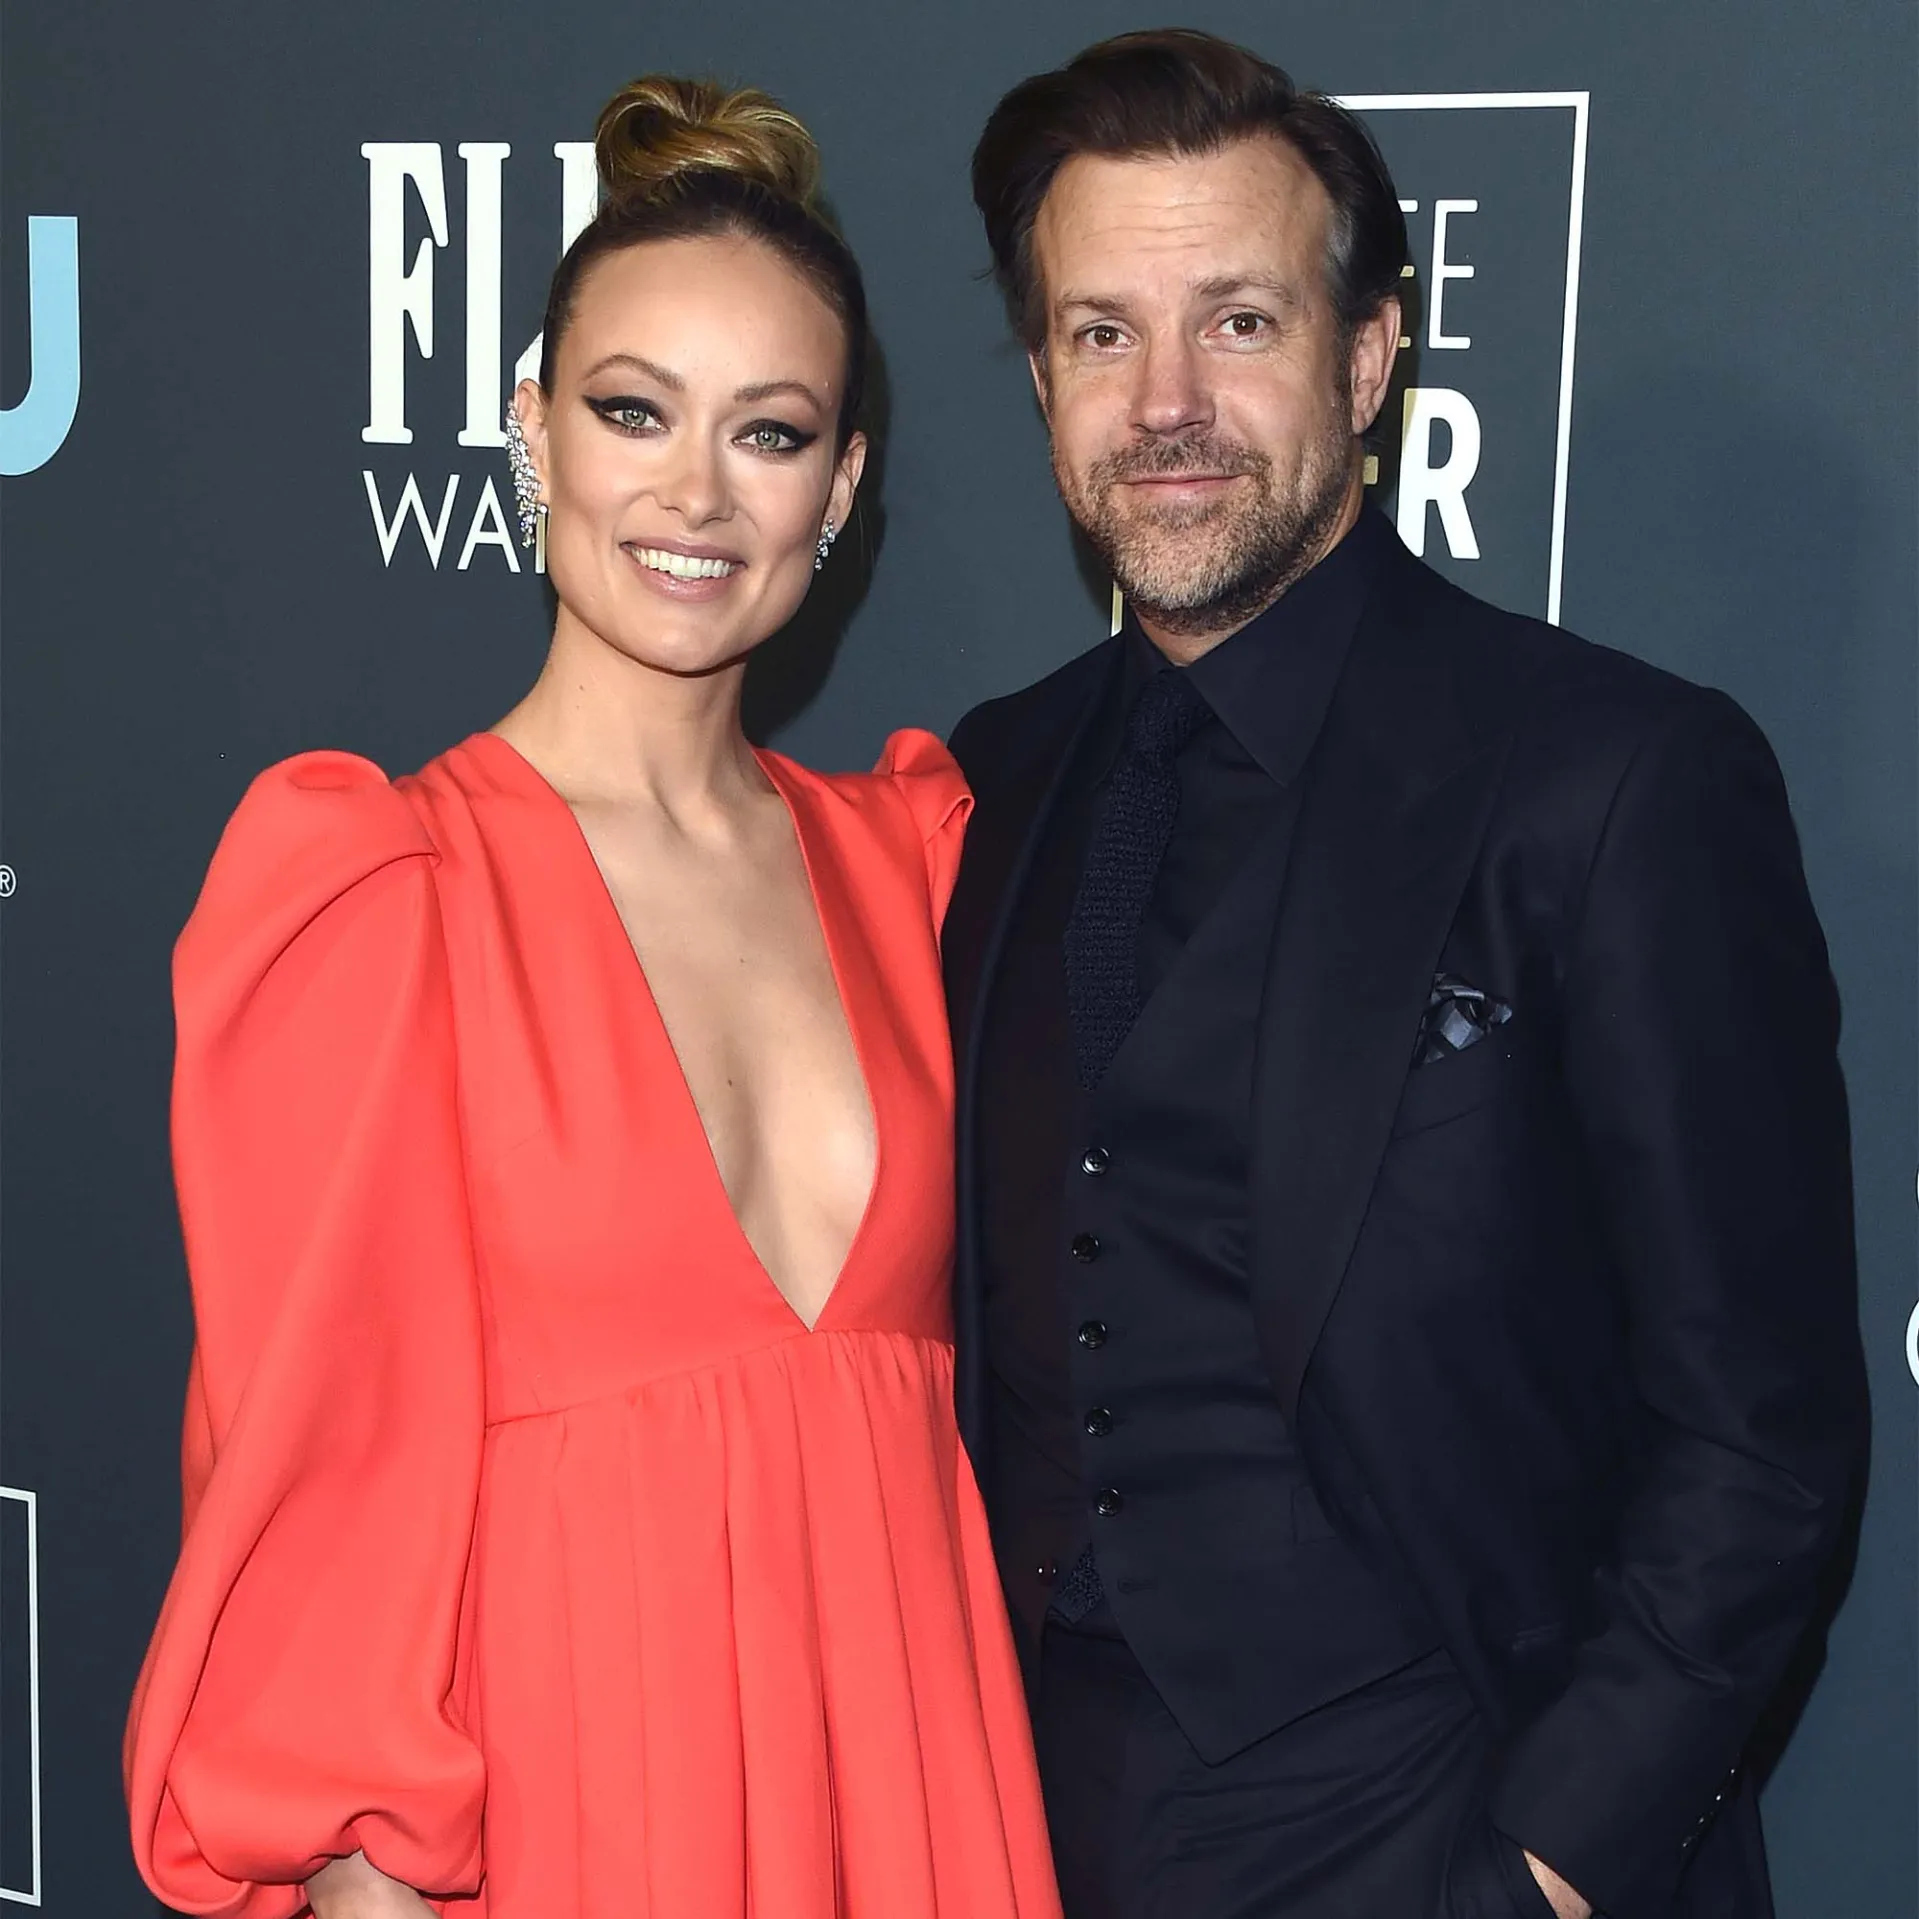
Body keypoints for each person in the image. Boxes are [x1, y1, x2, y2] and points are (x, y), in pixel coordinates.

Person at [944, 28, 1866, 1919]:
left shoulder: (1613, 778)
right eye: (1103, 333)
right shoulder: (990, 781)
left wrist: (1545, 1862)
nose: (1166, 402)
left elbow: (1759, 1437)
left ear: (1367, 359)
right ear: (1041, 379)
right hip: (1021, 1824)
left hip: (1440, 1811)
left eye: (1239, 322)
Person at [124, 74, 1061, 1919]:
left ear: (840, 487)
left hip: (901, 1789)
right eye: (633, 410)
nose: (695, 493)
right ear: (531, 430)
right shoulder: (383, 893)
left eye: (769, 432)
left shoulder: (916, 862)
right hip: (571, 1809)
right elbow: (312, 1477)